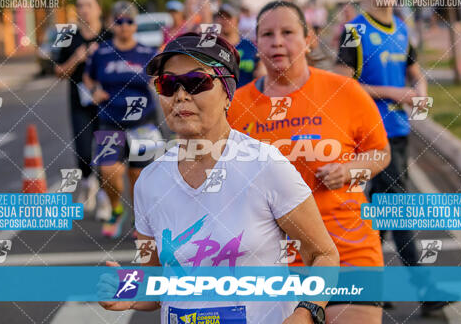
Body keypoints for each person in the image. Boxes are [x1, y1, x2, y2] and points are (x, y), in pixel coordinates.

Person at [99, 32, 340, 323]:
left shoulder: (265, 165)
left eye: (197, 82)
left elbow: (324, 255)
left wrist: (306, 313)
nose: (181, 95)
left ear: (228, 92)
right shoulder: (150, 181)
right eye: (168, 84)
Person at [228, 0, 391, 324]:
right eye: (267, 34)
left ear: (309, 39)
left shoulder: (344, 91)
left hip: (347, 248)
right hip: (271, 261)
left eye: (288, 32)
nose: (277, 41)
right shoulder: (236, 105)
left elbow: (380, 153)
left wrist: (348, 170)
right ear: (256, 43)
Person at [334, 0, 452, 315]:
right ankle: (425, 291)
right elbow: (342, 85)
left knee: (381, 216)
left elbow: (415, 72)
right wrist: (392, 93)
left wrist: (419, 91)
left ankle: (367, 287)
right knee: (399, 213)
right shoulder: (354, 30)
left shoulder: (401, 28)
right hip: (371, 139)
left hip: (399, 133)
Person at [83, 0, 162, 239]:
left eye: (129, 21)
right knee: (107, 170)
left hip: (143, 122)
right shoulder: (102, 52)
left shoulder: (147, 54)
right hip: (110, 118)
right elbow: (88, 78)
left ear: (135, 24)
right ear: (112, 23)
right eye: (119, 21)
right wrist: (94, 89)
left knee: (139, 176)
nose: (124, 26)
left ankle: (141, 219)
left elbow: (158, 81)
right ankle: (117, 209)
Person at [54, 0, 111, 215]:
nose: (83, 10)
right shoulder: (69, 35)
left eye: (88, 5)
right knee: (83, 152)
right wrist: (75, 59)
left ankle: (106, 200)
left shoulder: (108, 36)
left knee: (105, 153)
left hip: (106, 103)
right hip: (79, 102)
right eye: (79, 5)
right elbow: (58, 71)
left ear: (98, 8)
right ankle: (88, 184)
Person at [214, 3, 266, 87]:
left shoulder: (249, 46)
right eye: (220, 17)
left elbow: (261, 70)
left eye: (228, 17)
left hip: (246, 96)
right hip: (220, 98)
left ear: (237, 20)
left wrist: (261, 68)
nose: (224, 21)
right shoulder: (211, 46)